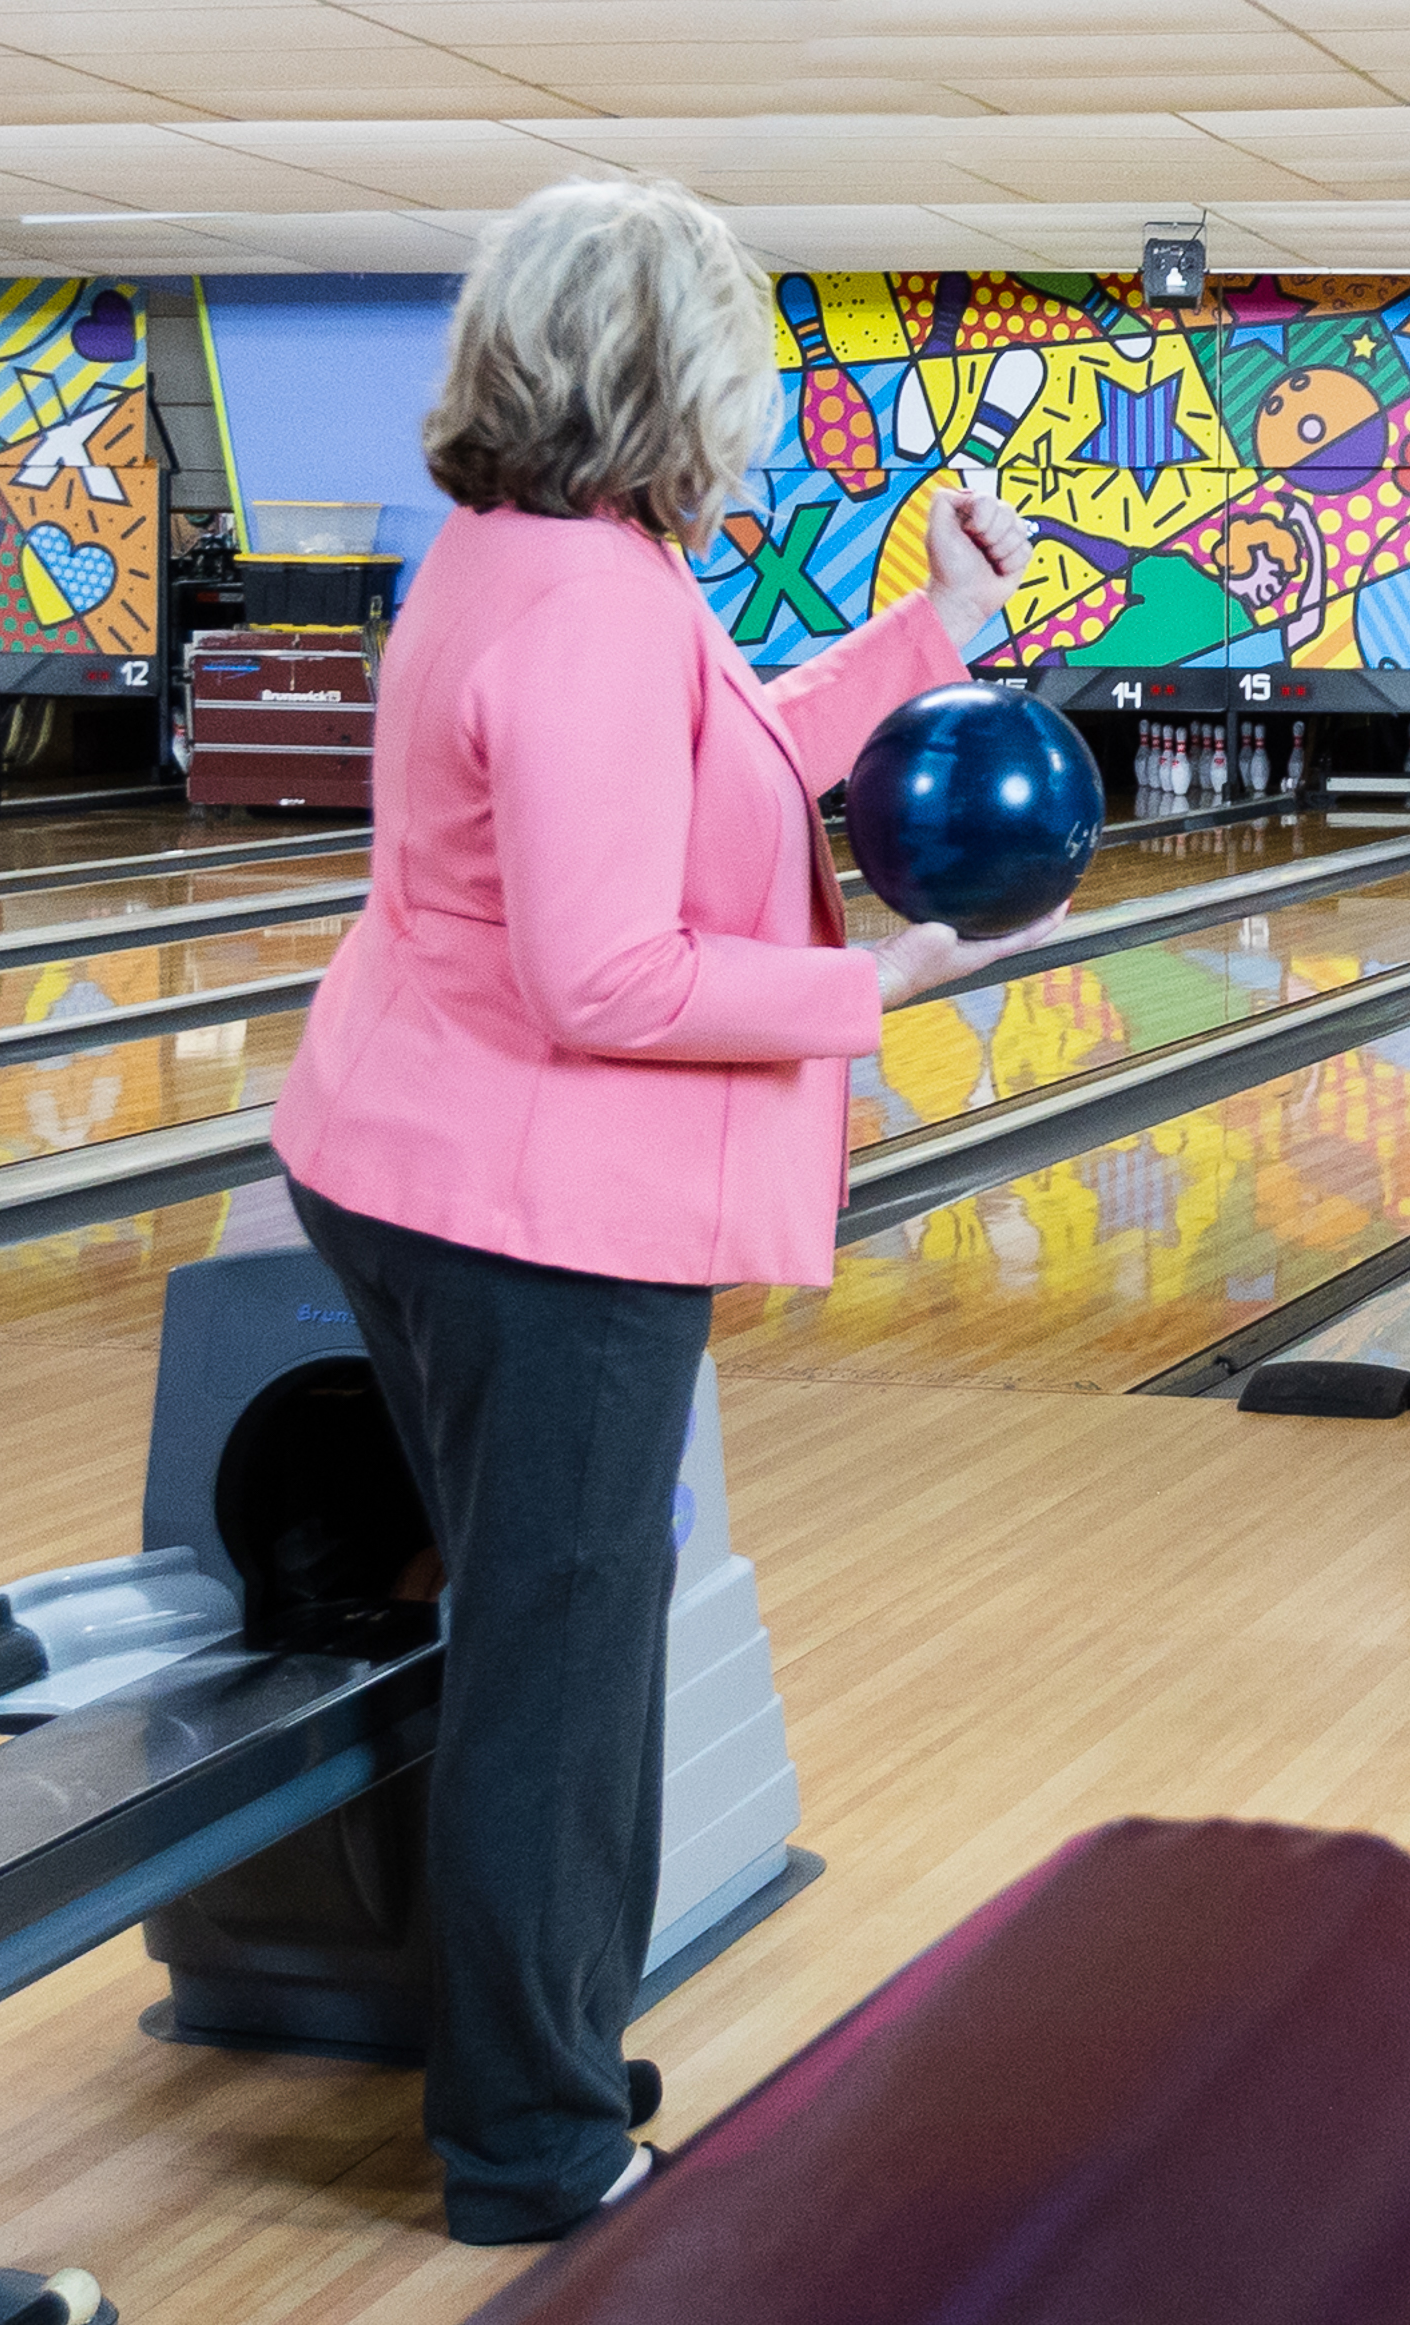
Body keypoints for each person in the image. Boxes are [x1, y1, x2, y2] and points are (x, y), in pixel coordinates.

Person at [269, 176, 1059, 2242]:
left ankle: (533, 2053)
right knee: (563, 1659)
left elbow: (725, 763)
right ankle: (529, 2143)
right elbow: (604, 974)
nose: (765, 393)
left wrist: (927, 636)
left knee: (559, 1627)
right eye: (743, 353)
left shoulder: (533, 555)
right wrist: (865, 986)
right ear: (658, 369)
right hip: (535, 1212)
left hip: (433, 1157)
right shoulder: (589, 596)